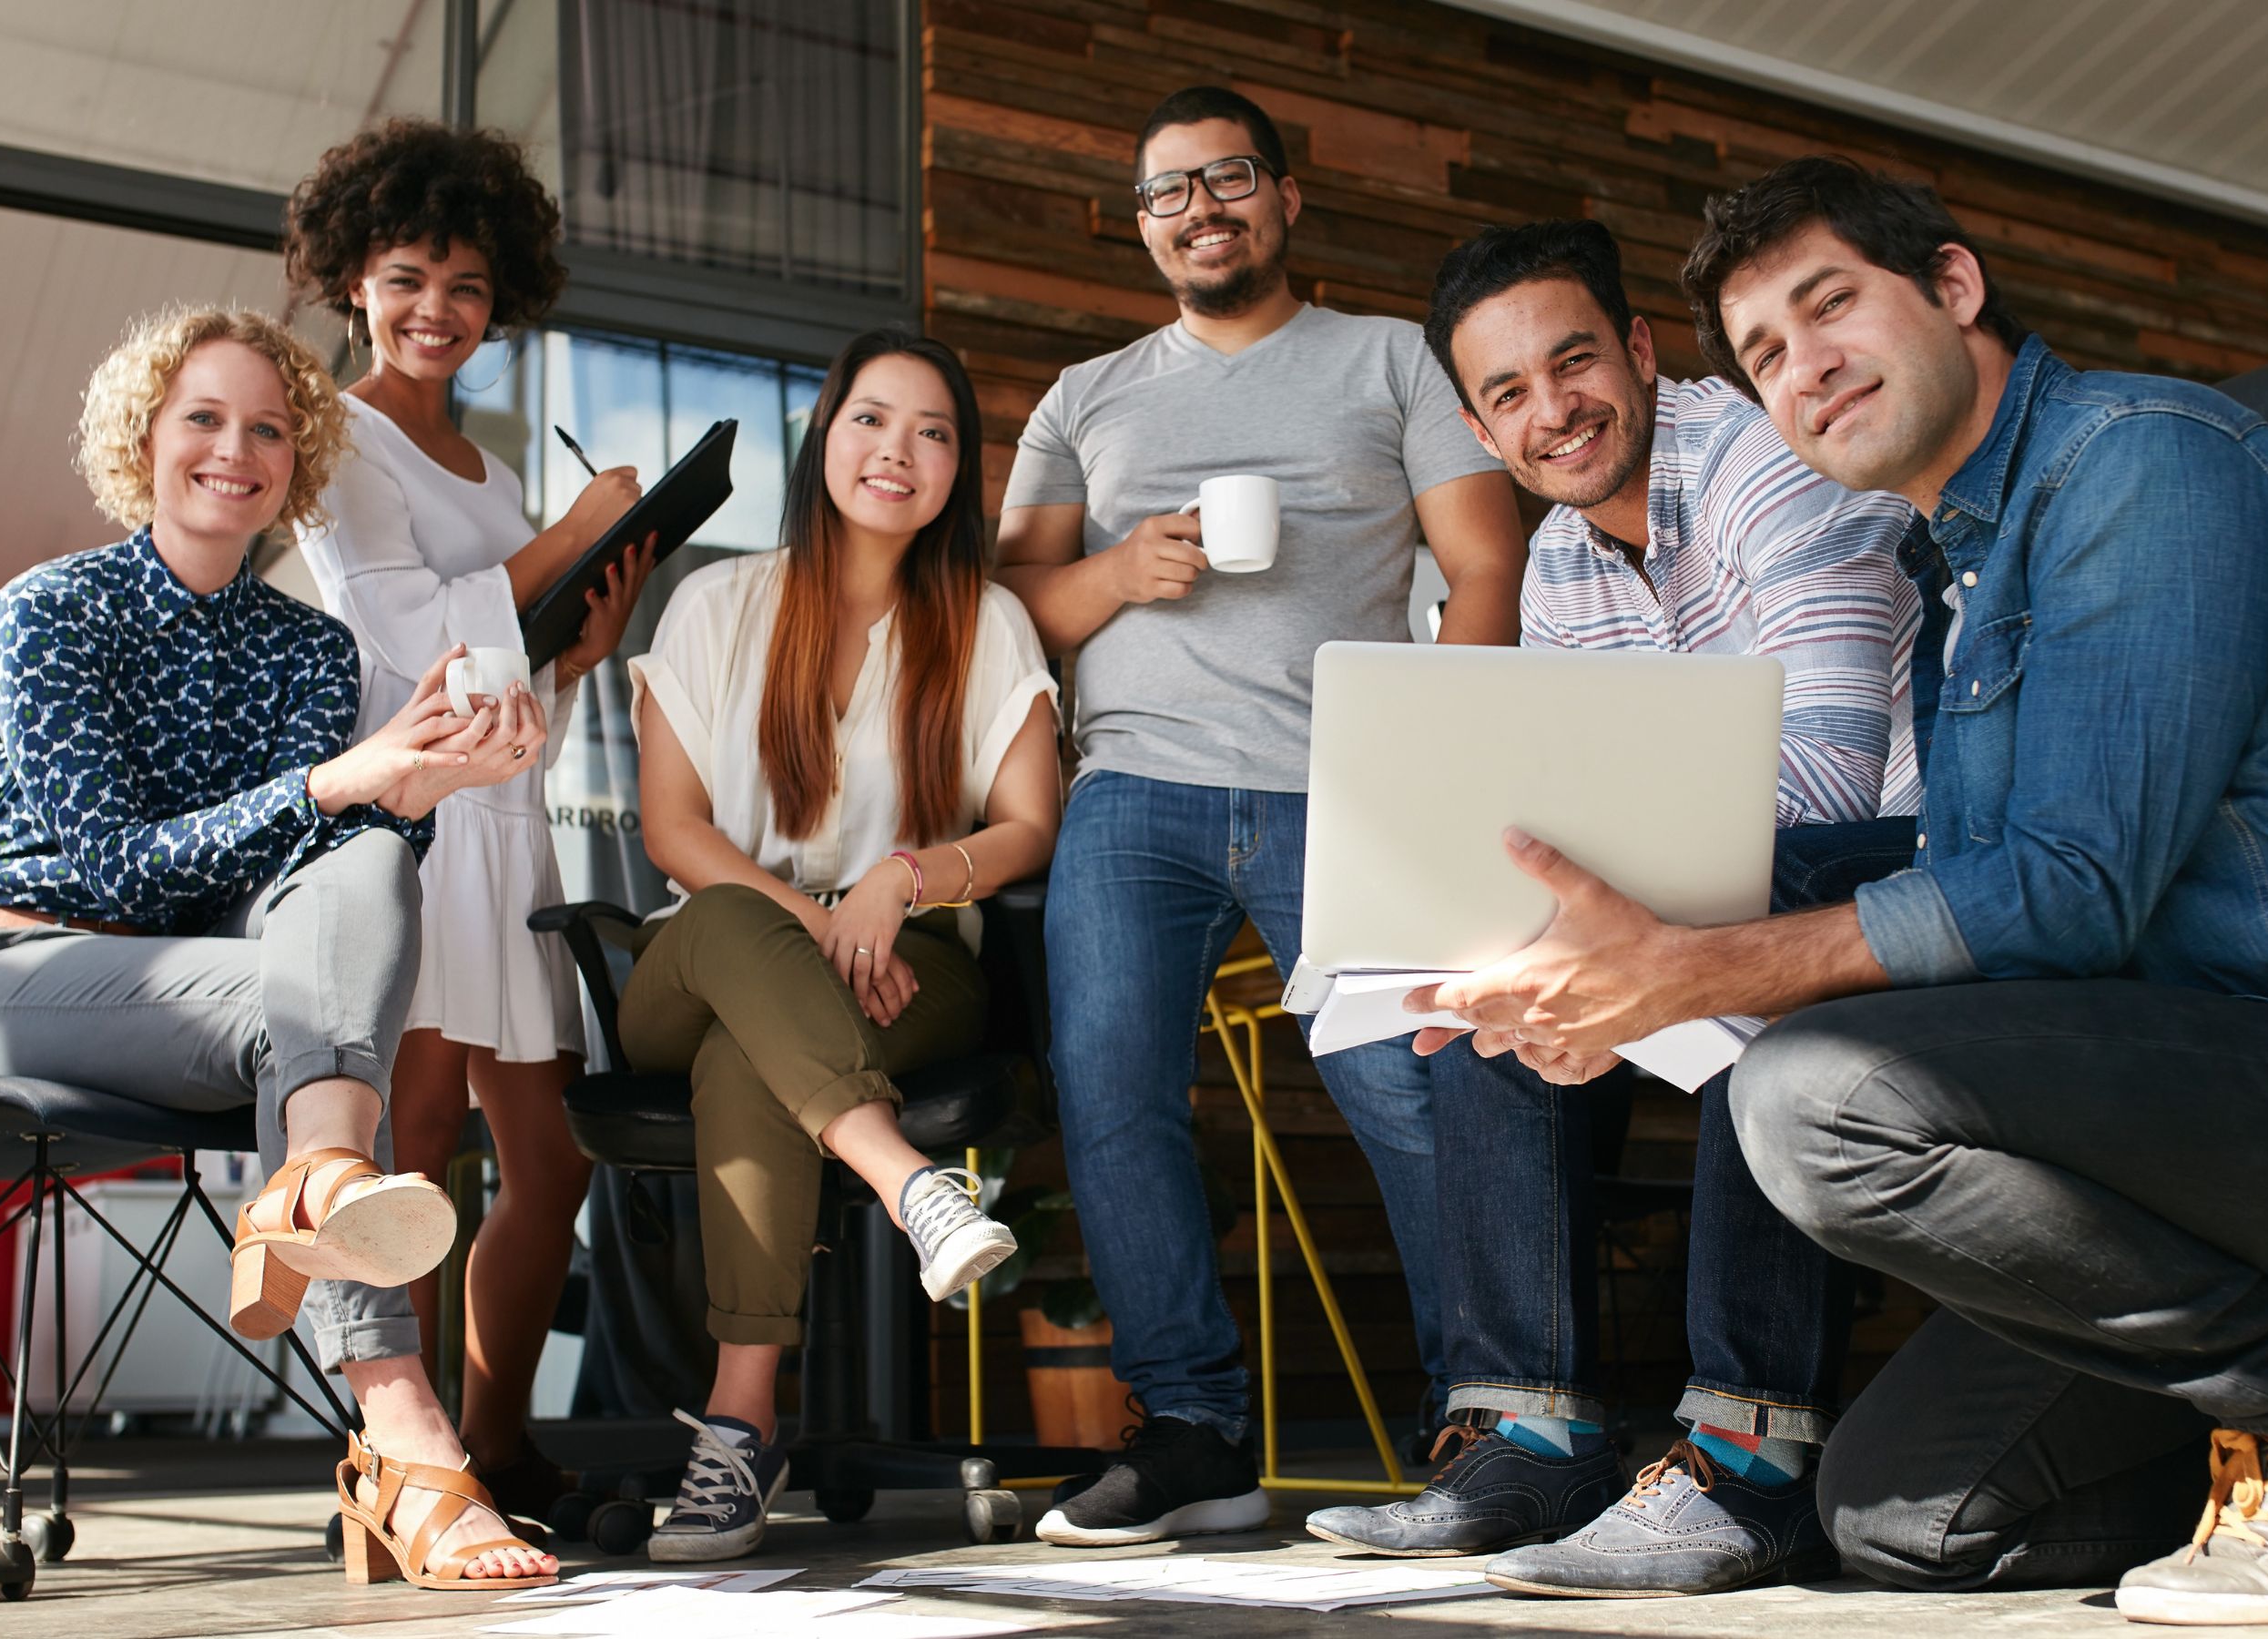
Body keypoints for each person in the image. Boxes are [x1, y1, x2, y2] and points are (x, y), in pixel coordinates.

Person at [1419, 157, 2268, 1625]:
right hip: (2193, 1143)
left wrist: (1698, 972)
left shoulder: (2146, 464)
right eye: (1769, 354)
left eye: (1830, 308)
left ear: (1954, 285)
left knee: (1810, 1097)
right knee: (1906, 1524)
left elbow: (2070, 895)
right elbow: (1976, 912)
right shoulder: (1958, 570)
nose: (1806, 372)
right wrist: (1610, 1001)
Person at [0, 307, 560, 1591]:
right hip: (7, 981)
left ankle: (312, 1179)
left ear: (297, 461)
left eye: (268, 428)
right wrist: (336, 781)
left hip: (226, 997)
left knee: (362, 865)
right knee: (312, 955)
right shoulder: (49, 611)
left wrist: (403, 805)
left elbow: (311, 897)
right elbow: (112, 869)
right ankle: (407, 1437)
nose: (234, 449)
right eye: (202, 417)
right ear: (143, 437)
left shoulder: (311, 651)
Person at [1305, 219, 1922, 1573]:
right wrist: (1549, 937)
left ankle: (1752, 1459)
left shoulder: (1770, 460)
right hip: (1718, 878)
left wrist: (1620, 929)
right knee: (1494, 966)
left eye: (1574, 363)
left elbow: (1830, 779)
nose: (1554, 413)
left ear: (1639, 351)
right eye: (1508, 395)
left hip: (1896, 864)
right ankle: (1530, 1439)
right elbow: (1565, 819)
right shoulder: (1559, 563)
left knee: (1731, 908)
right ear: (1478, 424)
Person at [992, 85, 1539, 1548]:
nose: (1200, 209)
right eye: (1169, 191)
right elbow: (1005, 607)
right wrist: (1116, 577)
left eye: (1228, 179)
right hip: (1135, 789)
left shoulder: (1391, 361)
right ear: (1144, 226)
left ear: (1286, 198)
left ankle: (1491, 1421)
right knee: (1110, 1101)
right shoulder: (1086, 395)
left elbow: (1483, 567)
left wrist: (1434, 763)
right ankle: (1192, 1435)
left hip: (1340, 783)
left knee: (1409, 1096)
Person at [618, 329, 1060, 1563]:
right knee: (730, 931)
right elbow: (671, 828)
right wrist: (813, 917)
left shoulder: (985, 621)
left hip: (907, 968)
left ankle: (740, 1425)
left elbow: (1030, 823)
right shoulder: (717, 604)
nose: (897, 452)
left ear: (957, 471)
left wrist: (904, 880)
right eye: (872, 419)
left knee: (750, 1059)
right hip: (706, 949)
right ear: (827, 438)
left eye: (932, 433)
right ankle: (911, 1185)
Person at [284, 117, 659, 1524]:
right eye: (403, 278)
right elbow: (396, 633)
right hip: (420, 824)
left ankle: (497, 1445)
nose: (433, 311)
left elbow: (504, 673)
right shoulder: (338, 436)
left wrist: (577, 643)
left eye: (463, 287)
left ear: (503, 299)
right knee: (421, 1144)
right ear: (353, 282)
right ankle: (409, 1465)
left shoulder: (487, 469)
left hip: (513, 824)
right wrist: (566, 540)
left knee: (551, 1157)